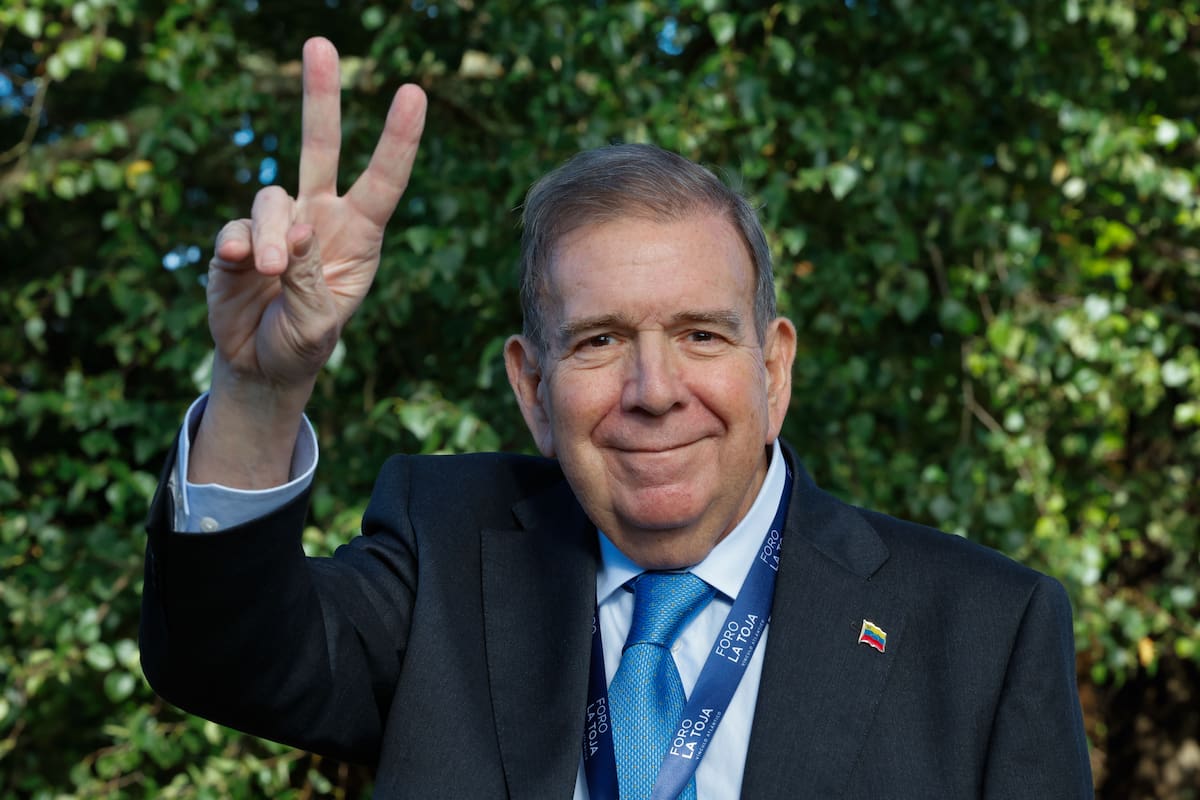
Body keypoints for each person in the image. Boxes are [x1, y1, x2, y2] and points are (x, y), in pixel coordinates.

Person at [140, 37, 1094, 798]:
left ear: (775, 368)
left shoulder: (985, 630)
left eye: (701, 336)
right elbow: (227, 661)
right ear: (532, 389)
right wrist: (262, 392)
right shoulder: (448, 552)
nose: (654, 389)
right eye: (598, 341)